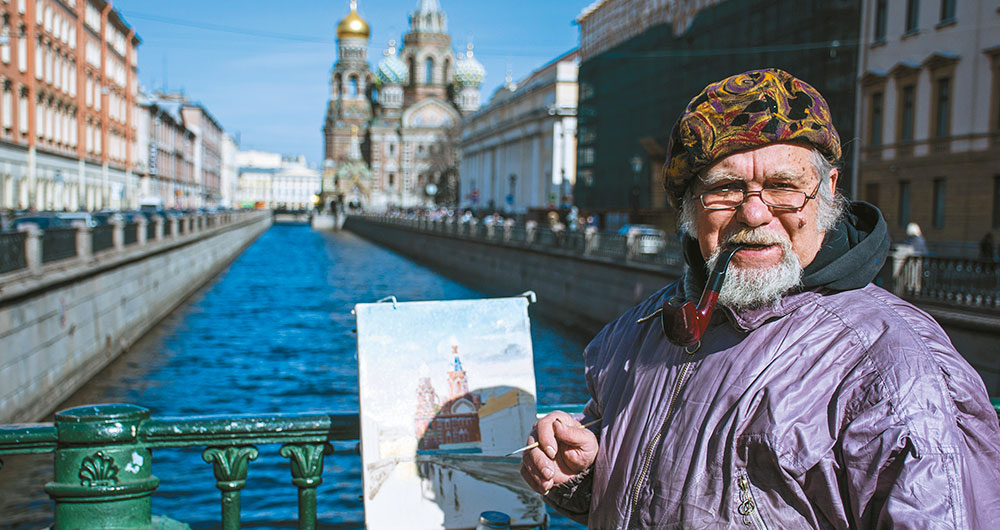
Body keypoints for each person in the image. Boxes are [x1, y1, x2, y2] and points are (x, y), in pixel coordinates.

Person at [520, 69, 1000, 528]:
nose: (754, 212)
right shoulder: (638, 330)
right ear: (689, 207)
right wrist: (579, 478)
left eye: (783, 187)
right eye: (725, 189)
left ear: (827, 192)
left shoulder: (893, 365)